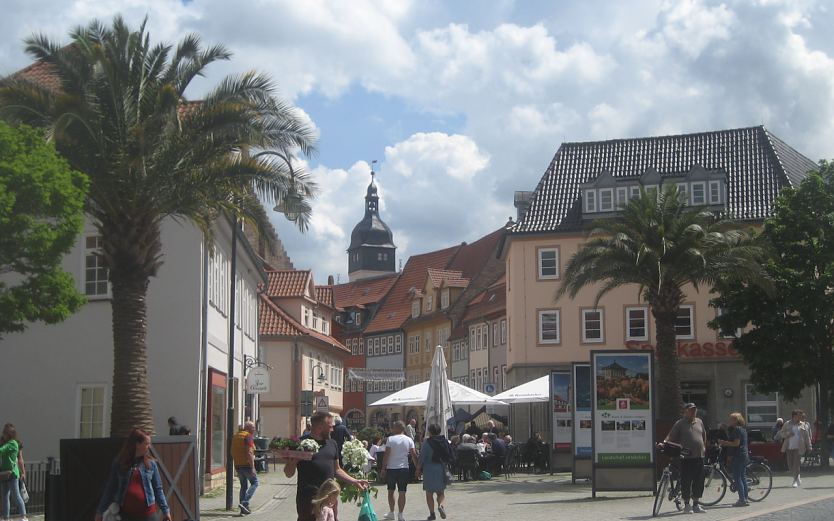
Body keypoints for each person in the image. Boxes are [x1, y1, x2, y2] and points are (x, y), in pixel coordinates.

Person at [284, 412, 368, 521]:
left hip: (329, 498)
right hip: (308, 498)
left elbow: (337, 470)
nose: (332, 430)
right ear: (320, 427)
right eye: (330, 427)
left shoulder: (332, 444)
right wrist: (292, 463)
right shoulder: (300, 444)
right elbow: (288, 474)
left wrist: (354, 481)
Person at [95, 428, 171, 521]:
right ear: (137, 444)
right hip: (126, 515)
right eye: (146, 444)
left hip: (147, 514)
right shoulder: (120, 463)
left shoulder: (151, 464)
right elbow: (110, 488)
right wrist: (100, 511)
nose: (149, 447)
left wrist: (165, 510)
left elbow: (158, 488)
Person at [660, 403, 707, 514]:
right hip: (686, 457)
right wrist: (664, 443)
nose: (694, 412)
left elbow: (704, 436)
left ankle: (696, 504)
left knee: (699, 481)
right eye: (692, 410)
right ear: (686, 412)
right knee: (686, 480)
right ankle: (686, 504)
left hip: (699, 456)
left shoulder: (699, 422)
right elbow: (670, 436)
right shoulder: (680, 423)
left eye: (695, 410)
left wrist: (704, 447)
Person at [380, 421, 420, 521]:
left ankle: (392, 512)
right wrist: (417, 468)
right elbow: (414, 455)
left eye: (393, 427)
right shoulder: (409, 439)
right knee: (402, 492)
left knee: (391, 491)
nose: (392, 429)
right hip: (404, 468)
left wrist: (383, 468)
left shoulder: (391, 439)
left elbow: (386, 455)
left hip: (392, 468)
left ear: (397, 428)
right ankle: (400, 514)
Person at [417, 424, 451, 521]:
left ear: (430, 432)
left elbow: (422, 458)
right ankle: (440, 505)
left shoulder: (427, 443)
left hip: (429, 468)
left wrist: (418, 469)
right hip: (440, 467)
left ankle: (432, 514)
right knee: (441, 492)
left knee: (429, 494)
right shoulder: (444, 441)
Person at [718, 413, 749, 507]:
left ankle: (742, 499)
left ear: (737, 420)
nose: (730, 421)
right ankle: (745, 497)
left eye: (732, 419)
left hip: (738, 456)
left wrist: (725, 443)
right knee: (743, 477)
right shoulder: (743, 429)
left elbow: (736, 444)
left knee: (737, 477)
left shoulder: (737, 430)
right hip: (744, 455)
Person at [775, 409, 812, 487]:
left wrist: (809, 446)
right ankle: (797, 475)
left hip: (799, 447)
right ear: (794, 416)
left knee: (796, 464)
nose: (800, 417)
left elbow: (807, 437)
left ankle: (795, 480)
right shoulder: (787, 424)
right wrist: (788, 434)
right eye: (799, 415)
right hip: (789, 447)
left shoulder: (803, 424)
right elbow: (781, 433)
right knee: (790, 464)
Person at [231, 421, 258, 515]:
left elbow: (231, 451)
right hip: (247, 464)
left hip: (238, 465)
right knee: (255, 483)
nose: (254, 429)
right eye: (253, 427)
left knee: (243, 486)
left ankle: (243, 509)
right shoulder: (247, 436)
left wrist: (237, 460)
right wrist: (252, 467)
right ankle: (245, 502)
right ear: (248, 428)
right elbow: (249, 452)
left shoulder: (236, 436)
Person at [0, 425, 27, 521]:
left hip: (12, 474)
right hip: (4, 473)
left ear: (10, 434)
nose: (3, 435)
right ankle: (6, 518)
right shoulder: (7, 443)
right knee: (5, 496)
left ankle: (24, 516)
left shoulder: (12, 443)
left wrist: (23, 472)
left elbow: (2, 450)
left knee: (16, 495)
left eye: (5, 433)